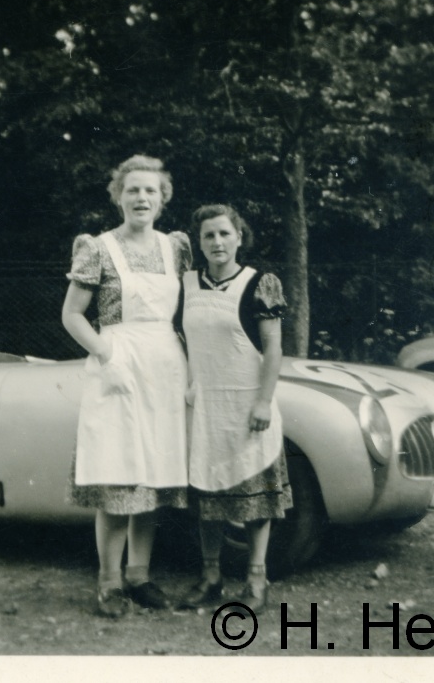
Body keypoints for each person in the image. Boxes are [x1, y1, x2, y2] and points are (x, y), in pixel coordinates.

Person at [62, 155, 191, 618]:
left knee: (152, 476)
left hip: (165, 366)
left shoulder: (176, 247)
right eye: (132, 189)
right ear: (118, 196)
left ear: (162, 198)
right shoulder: (98, 249)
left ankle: (139, 575)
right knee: (119, 475)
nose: (141, 197)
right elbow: (72, 315)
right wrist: (106, 354)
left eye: (150, 190)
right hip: (117, 364)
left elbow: (187, 312)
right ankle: (109, 581)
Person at [178, 204, 293, 615]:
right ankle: (210, 577)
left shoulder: (259, 283)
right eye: (208, 235)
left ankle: (257, 580)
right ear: (199, 242)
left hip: (247, 404)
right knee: (208, 494)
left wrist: (263, 400)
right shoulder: (186, 284)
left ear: (239, 237)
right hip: (205, 406)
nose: (217, 242)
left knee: (254, 497)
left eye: (225, 233)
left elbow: (273, 348)